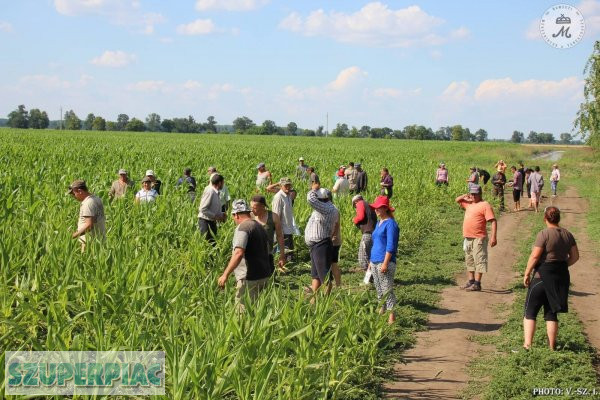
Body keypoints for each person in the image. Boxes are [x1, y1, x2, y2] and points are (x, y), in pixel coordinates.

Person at [522, 206, 579, 350]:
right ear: (559, 218)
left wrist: (527, 273)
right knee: (551, 313)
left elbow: (535, 255)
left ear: (545, 218)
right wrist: (562, 265)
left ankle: (527, 346)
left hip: (542, 276)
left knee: (530, 312)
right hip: (560, 277)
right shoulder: (568, 234)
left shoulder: (544, 234)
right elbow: (575, 256)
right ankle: (552, 347)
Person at [217, 199, 273, 312]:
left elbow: (238, 253)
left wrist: (225, 275)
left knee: (242, 312)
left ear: (236, 215)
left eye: (233, 217)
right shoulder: (259, 226)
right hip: (264, 275)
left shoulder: (243, 228)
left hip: (249, 278)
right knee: (259, 311)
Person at [455, 184, 498, 292]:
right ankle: (471, 281)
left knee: (479, 260)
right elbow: (457, 200)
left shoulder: (485, 205)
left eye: (475, 194)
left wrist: (493, 237)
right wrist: (466, 195)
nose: (473, 196)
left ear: (480, 194)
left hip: (479, 238)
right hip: (468, 237)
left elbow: (493, 221)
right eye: (472, 194)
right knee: (469, 259)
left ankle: (477, 283)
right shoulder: (468, 204)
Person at [369, 195, 400, 324]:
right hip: (375, 260)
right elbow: (375, 242)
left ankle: (392, 316)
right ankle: (381, 311)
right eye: (375, 207)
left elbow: (390, 245)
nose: (376, 210)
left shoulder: (391, 224)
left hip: (384, 261)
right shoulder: (378, 222)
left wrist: (386, 263)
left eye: (378, 208)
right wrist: (371, 261)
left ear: (385, 209)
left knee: (387, 289)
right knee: (379, 288)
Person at [305, 183, 338, 296]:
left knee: (324, 276)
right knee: (316, 275)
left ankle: (326, 301)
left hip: (321, 244)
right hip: (317, 245)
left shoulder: (327, 208)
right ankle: (314, 299)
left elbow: (310, 199)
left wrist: (313, 189)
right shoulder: (325, 208)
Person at [250, 195, 287, 273]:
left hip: (267, 254)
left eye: (255, 208)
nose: (252, 210)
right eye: (251, 207)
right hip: (252, 254)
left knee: (269, 276)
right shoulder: (250, 217)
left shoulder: (273, 217)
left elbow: (279, 236)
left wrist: (282, 255)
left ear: (263, 207)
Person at [67, 180, 106, 252]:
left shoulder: (88, 203)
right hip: (99, 239)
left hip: (89, 242)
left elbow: (89, 226)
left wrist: (72, 236)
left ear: (80, 191)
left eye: (73, 193)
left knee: (86, 260)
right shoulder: (96, 198)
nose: (73, 196)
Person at [352, 194, 376, 282]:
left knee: (363, 258)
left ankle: (370, 278)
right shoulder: (369, 205)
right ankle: (370, 278)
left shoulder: (360, 203)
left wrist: (354, 220)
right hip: (373, 233)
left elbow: (361, 216)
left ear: (355, 202)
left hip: (367, 234)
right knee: (370, 256)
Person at [271, 177, 296, 262]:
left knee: (289, 254)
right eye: (286, 185)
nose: (288, 187)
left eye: (289, 185)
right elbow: (276, 215)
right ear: (281, 185)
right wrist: (278, 230)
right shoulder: (278, 197)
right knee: (283, 253)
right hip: (282, 230)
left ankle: (286, 268)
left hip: (288, 228)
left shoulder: (288, 195)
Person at [198, 173, 227, 244]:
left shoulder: (216, 192)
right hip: (205, 222)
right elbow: (203, 209)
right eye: (223, 183)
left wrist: (221, 214)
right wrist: (215, 216)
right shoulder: (210, 191)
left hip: (211, 222)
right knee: (207, 244)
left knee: (213, 244)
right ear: (219, 183)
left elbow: (213, 208)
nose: (223, 185)